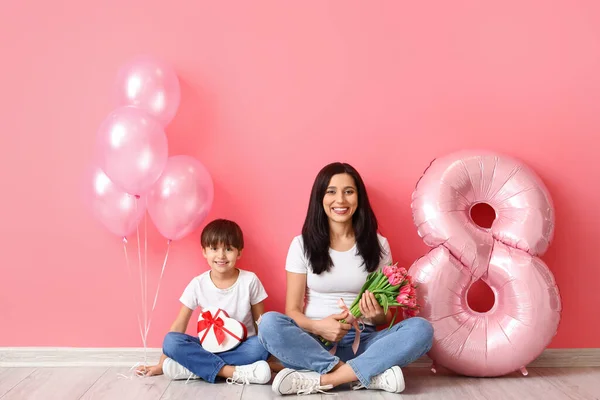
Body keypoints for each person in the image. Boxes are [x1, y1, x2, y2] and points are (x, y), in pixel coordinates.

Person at [258, 162, 434, 395]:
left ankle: (323, 380)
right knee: (269, 323)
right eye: (331, 191)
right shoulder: (301, 244)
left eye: (348, 192)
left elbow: (387, 316)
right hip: (313, 344)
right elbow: (292, 310)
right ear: (320, 198)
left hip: (365, 343)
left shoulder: (378, 244)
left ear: (358, 198)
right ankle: (362, 375)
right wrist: (319, 327)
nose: (340, 200)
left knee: (421, 329)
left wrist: (376, 313)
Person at [137, 219, 271, 385]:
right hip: (208, 346)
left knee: (260, 346)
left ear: (239, 253)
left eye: (228, 249)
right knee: (171, 341)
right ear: (204, 252)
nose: (221, 256)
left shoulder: (250, 280)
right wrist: (160, 364)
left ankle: (193, 368)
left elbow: (262, 325)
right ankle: (232, 372)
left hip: (242, 345)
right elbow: (179, 325)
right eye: (214, 249)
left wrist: (271, 359)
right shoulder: (198, 284)